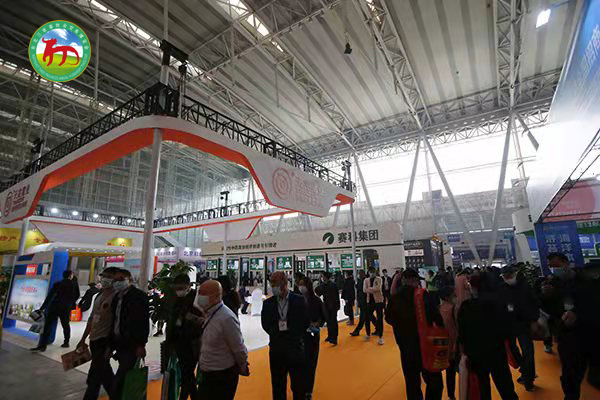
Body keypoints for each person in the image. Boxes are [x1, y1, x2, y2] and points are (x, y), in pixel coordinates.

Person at [545, 253, 600, 400]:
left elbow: (594, 304)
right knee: (570, 375)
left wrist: (577, 314)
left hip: (593, 333)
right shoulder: (553, 285)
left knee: (595, 375)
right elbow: (551, 311)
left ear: (565, 263)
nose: (554, 269)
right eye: (550, 266)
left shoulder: (587, 281)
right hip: (568, 337)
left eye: (556, 265)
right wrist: (546, 297)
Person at [457, 274, 518, 400]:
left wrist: (464, 351)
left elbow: (462, 333)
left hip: (476, 354)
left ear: (473, 286)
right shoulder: (498, 303)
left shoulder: (466, 307)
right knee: (505, 385)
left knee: (482, 387)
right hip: (497, 351)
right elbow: (508, 326)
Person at [386, 268, 443, 399]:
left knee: (412, 383)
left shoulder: (395, 298)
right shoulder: (423, 295)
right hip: (426, 345)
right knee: (434, 381)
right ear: (416, 281)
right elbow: (437, 318)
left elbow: (388, 319)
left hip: (406, 347)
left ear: (403, 280)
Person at [197, 279, 249, 400]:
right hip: (207, 374)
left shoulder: (226, 318)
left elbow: (238, 347)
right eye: (200, 293)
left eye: (204, 294)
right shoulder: (209, 313)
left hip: (222, 376)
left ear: (216, 296)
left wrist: (242, 365)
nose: (200, 297)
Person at [262, 271, 309, 400]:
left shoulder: (299, 300)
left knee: (298, 387)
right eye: (271, 284)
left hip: (295, 348)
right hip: (277, 350)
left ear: (284, 283)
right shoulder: (268, 303)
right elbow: (265, 324)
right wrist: (277, 332)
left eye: (275, 283)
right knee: (278, 386)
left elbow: (305, 321)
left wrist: (292, 333)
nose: (273, 287)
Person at [77, 267, 119, 400]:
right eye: (103, 276)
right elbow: (92, 318)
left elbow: (116, 323)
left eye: (109, 277)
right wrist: (83, 339)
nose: (105, 279)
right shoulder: (99, 295)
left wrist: (110, 346)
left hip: (104, 340)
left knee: (96, 376)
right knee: (104, 373)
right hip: (94, 339)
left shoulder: (117, 298)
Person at [496, 264, 539, 392]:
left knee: (528, 352)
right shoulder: (501, 288)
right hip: (508, 325)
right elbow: (499, 306)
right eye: (505, 277)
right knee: (512, 350)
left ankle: (528, 380)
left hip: (524, 324)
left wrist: (534, 320)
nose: (508, 278)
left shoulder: (525, 286)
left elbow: (534, 303)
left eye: (509, 276)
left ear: (515, 273)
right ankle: (525, 370)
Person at [111, 269, 150, 398]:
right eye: (115, 280)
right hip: (119, 342)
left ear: (130, 280)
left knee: (121, 379)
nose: (117, 282)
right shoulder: (117, 297)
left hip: (132, 344)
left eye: (121, 279)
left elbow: (143, 322)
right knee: (124, 376)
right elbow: (115, 320)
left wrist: (141, 344)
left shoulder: (139, 297)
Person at [166, 274, 203, 400]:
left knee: (187, 373)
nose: (178, 291)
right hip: (179, 341)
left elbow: (203, 319)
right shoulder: (176, 299)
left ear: (188, 286)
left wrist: (192, 318)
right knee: (187, 373)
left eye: (181, 288)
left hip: (193, 342)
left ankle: (185, 397)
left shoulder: (197, 299)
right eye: (176, 288)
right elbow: (172, 320)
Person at [31, 269, 80, 351]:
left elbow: (50, 296)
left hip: (55, 306)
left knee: (48, 325)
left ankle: (42, 345)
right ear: (71, 275)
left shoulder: (58, 284)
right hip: (66, 308)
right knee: (65, 325)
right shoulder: (74, 284)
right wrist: (69, 302)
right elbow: (77, 295)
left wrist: (43, 307)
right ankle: (66, 342)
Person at [299, 277, 327, 400]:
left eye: (302, 285)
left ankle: (308, 390)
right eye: (299, 284)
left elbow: (323, 316)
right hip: (299, 336)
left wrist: (317, 323)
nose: (300, 287)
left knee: (311, 363)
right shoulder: (297, 300)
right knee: (300, 364)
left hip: (312, 336)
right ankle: (300, 387)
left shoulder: (316, 301)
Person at [438, 286, 458, 400]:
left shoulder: (439, 309)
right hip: (454, 344)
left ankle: (449, 394)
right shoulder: (454, 309)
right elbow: (458, 328)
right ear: (447, 297)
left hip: (442, 345)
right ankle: (452, 394)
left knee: (446, 371)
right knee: (453, 371)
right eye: (453, 294)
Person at [315, 271, 340, 345]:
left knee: (332, 321)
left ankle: (333, 338)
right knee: (330, 321)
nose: (322, 278)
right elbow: (318, 292)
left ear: (325, 277)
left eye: (322, 276)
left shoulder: (328, 285)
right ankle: (331, 336)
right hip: (329, 305)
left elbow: (317, 292)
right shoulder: (327, 285)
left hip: (331, 305)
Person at [363, 267, 385, 345]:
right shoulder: (366, 280)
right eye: (370, 272)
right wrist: (372, 289)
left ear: (375, 272)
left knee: (380, 318)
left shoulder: (379, 279)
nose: (372, 273)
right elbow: (364, 290)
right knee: (367, 317)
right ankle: (368, 334)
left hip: (379, 301)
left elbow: (378, 288)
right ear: (368, 272)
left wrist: (369, 289)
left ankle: (380, 337)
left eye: (373, 272)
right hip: (369, 301)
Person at [350, 269, 368, 337]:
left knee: (362, 318)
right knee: (369, 317)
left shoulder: (365, 280)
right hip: (361, 301)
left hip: (364, 302)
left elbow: (362, 290)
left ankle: (357, 331)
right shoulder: (360, 280)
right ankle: (378, 327)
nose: (359, 275)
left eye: (360, 273)